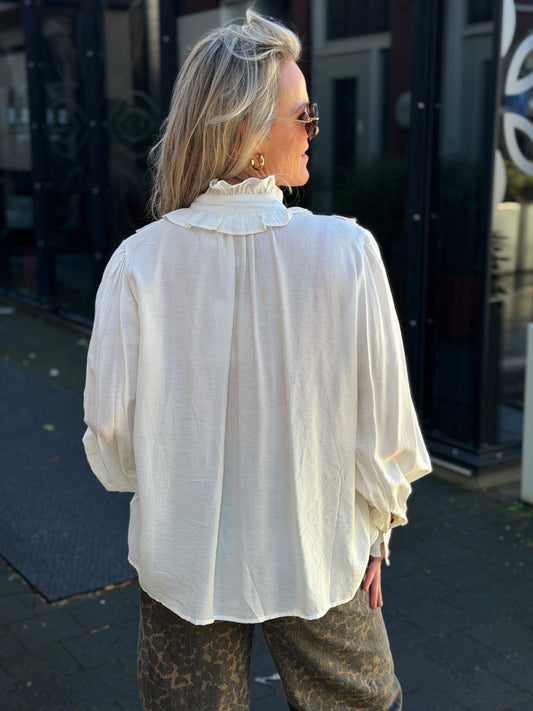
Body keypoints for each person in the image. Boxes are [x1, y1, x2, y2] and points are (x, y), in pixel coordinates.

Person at [83, 9, 431, 711]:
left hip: (184, 559)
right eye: (303, 116)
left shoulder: (138, 264)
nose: (313, 130)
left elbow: (113, 437)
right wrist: (378, 528)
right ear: (247, 133)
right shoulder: (345, 253)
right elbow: (384, 425)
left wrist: (179, 486)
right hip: (318, 547)